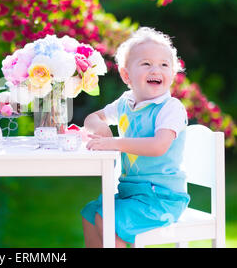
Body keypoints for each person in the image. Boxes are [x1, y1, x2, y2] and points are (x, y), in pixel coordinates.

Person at [81, 27, 190, 247]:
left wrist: (114, 143)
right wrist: (99, 128)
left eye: (164, 64)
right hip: (131, 194)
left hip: (162, 198)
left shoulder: (170, 108)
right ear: (125, 75)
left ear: (173, 73)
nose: (155, 69)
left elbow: (159, 146)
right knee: (90, 214)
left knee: (108, 219)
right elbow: (93, 117)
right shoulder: (126, 103)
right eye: (146, 64)